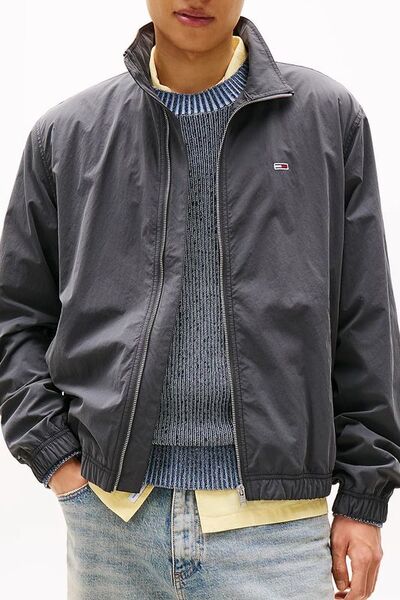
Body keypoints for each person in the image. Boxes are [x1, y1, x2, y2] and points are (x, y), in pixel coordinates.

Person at [1, 1, 399, 598]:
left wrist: (364, 501)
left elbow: (365, 318)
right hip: (113, 523)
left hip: (279, 532)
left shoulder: (325, 118)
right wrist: (58, 461)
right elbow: (15, 319)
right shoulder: (68, 134)